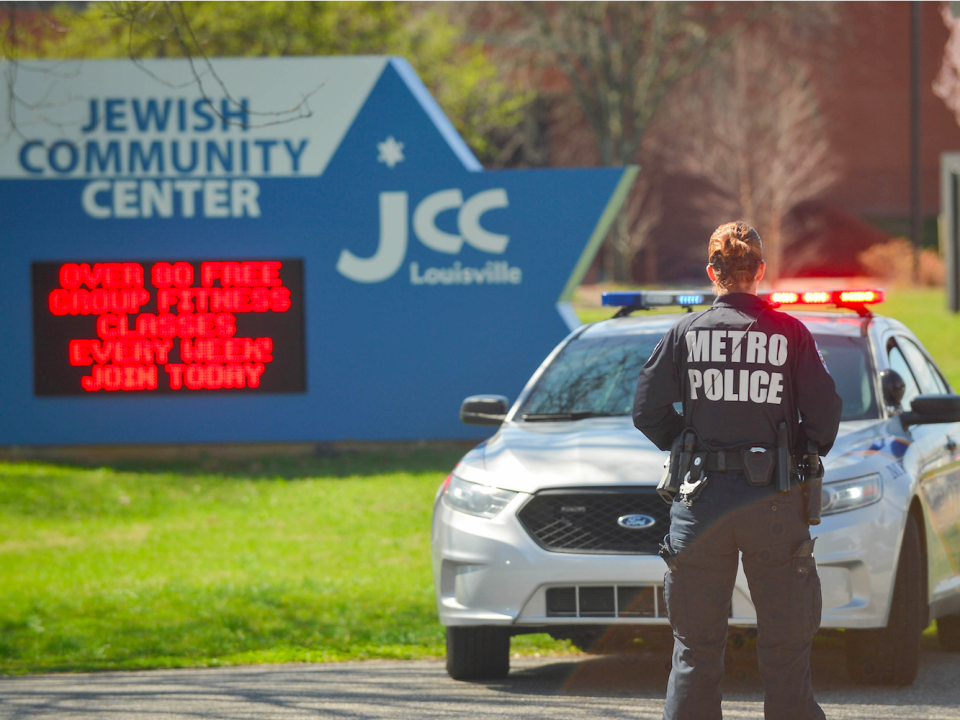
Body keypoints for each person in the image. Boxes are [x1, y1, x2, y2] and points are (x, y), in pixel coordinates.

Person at [632, 221, 842, 720]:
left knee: (694, 649)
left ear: (713, 273)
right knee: (787, 643)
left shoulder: (685, 332)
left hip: (699, 500)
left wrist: (685, 445)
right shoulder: (789, 332)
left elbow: (646, 410)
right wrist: (798, 452)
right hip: (772, 499)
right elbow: (825, 413)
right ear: (760, 272)